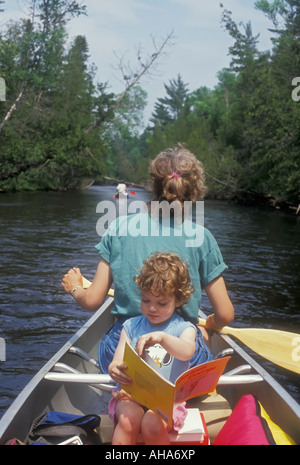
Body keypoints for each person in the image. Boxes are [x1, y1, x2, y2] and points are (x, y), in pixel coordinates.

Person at [62, 144, 234, 373]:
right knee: (199, 334)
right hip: (177, 354)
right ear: (194, 193)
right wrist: (211, 325)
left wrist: (75, 288)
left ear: (153, 186)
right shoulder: (202, 238)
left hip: (126, 348)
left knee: (113, 341)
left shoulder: (119, 228)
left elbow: (93, 300)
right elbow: (225, 314)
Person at [108, 252, 197, 445]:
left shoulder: (184, 329)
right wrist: (114, 369)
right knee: (127, 419)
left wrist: (163, 338)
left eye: (162, 303)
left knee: (151, 423)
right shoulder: (131, 326)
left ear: (179, 300)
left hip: (166, 402)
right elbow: (117, 360)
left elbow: (187, 351)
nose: (152, 308)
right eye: (146, 300)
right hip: (130, 396)